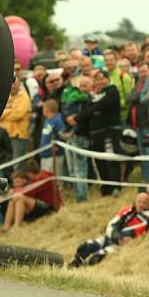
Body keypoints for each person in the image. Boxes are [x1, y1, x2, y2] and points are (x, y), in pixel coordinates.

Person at [67, 192, 149, 267]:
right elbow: (111, 225)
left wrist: (133, 242)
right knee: (87, 245)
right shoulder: (126, 210)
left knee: (99, 255)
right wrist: (118, 237)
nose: (141, 204)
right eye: (139, 201)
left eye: (144, 203)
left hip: (122, 246)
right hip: (111, 237)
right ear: (135, 201)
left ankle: (84, 269)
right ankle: (72, 265)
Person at [75, 69, 121, 196]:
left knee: (111, 159)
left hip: (110, 132)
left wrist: (78, 117)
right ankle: (105, 188)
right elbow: (92, 109)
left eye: (102, 78)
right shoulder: (94, 95)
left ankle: (115, 187)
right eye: (97, 79)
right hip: (95, 133)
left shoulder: (112, 91)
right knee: (99, 161)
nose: (100, 81)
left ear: (107, 79)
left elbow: (99, 106)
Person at [1, 158, 62, 230]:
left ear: (29, 173)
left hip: (49, 208)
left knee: (19, 196)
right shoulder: (43, 175)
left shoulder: (42, 178)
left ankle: (16, 227)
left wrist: (13, 192)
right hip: (42, 204)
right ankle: (6, 226)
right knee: (17, 199)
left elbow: (28, 191)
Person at [62, 74, 93, 202]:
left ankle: (82, 197)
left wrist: (74, 120)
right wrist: (68, 119)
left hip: (82, 136)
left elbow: (84, 119)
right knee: (72, 170)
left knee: (81, 169)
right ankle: (77, 196)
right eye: (81, 85)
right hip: (70, 137)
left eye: (86, 85)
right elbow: (64, 112)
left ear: (91, 87)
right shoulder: (74, 98)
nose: (83, 88)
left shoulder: (90, 100)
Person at [0, 78, 32, 161]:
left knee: (16, 162)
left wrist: (4, 113)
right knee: (4, 161)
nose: (12, 86)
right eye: (11, 84)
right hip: (3, 135)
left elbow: (18, 115)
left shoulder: (24, 96)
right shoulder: (5, 96)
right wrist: (11, 110)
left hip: (18, 136)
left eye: (15, 84)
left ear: (19, 85)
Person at [103, 49, 134, 123]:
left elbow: (128, 99)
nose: (109, 62)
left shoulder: (124, 77)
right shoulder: (103, 77)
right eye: (106, 60)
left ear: (116, 61)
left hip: (121, 117)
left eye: (111, 60)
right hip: (106, 116)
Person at [38, 98, 64, 175]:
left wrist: (57, 147)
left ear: (46, 108)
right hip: (45, 154)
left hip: (53, 156)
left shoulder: (57, 120)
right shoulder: (47, 120)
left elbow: (62, 135)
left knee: (54, 179)